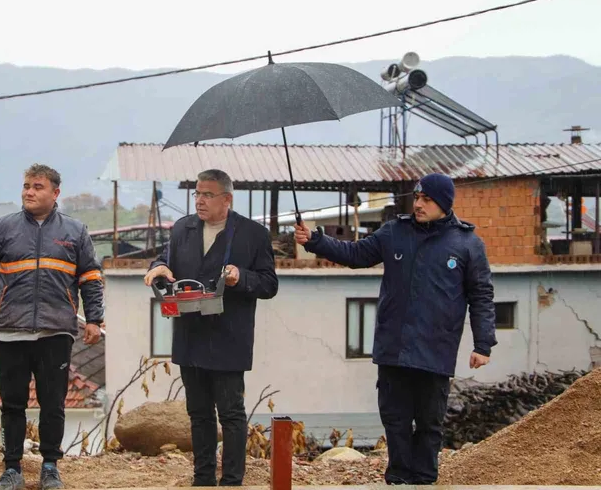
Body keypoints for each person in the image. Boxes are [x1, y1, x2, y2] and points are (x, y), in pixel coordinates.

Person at [294, 172, 496, 485]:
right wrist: (315, 240)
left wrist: (483, 344)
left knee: (429, 424)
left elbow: (481, 295)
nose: (418, 204)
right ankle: (398, 480)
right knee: (395, 421)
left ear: (444, 203)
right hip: (394, 349)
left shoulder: (467, 244)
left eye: (426, 199)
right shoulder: (395, 232)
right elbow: (356, 255)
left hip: (436, 351)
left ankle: (425, 480)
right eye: (416, 198)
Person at [0, 164, 104, 490]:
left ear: (55, 193)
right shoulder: (3, 228)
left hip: (55, 332)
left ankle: (50, 468)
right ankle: (11, 470)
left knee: (53, 404)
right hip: (9, 330)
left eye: (37, 187)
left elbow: (91, 278)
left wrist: (94, 319)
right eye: (26, 186)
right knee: (12, 404)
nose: (29, 192)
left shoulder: (75, 231)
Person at [144, 169, 278, 486]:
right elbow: (164, 260)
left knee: (231, 413)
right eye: (197, 194)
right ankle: (202, 479)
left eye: (208, 194)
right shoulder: (183, 229)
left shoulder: (252, 234)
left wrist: (240, 277)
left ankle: (231, 480)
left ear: (227, 199)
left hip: (229, 337)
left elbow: (269, 284)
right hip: (190, 335)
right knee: (199, 413)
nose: (200, 201)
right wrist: (158, 268)